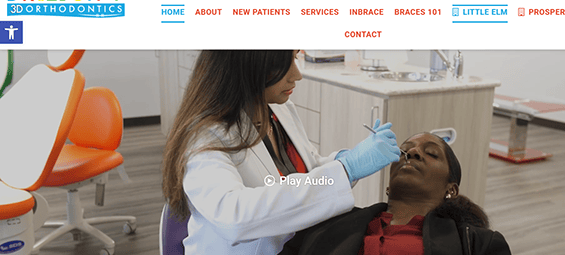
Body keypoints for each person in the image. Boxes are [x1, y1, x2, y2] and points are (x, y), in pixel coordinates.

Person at [161, 50, 402, 254]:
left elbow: (306, 169)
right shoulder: (205, 135)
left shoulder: (279, 112)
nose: (297, 74)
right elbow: (234, 217)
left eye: (296, 57)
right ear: (248, 65)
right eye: (284, 64)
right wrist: (346, 170)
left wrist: (344, 161)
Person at [280, 132, 512, 255]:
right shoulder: (328, 223)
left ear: (450, 190)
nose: (412, 153)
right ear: (389, 185)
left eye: (431, 153)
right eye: (404, 150)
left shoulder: (478, 245)